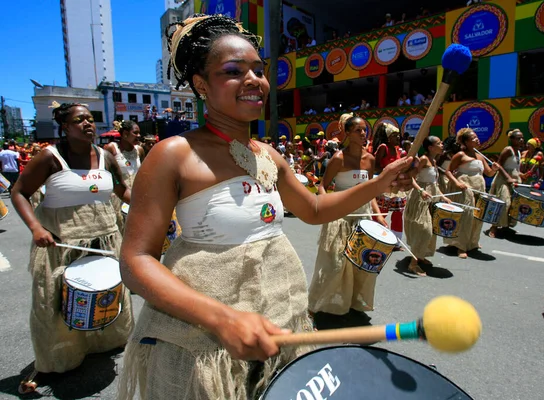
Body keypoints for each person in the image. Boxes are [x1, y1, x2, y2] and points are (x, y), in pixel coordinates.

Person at [116, 15, 413, 400]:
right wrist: (221, 319)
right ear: (201, 85)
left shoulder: (269, 155)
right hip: (203, 342)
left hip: (281, 315)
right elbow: (136, 260)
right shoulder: (173, 154)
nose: (254, 80)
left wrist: (380, 181)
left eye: (258, 69)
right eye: (234, 71)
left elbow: (314, 210)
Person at [10, 103, 134, 394]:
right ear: (64, 127)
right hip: (61, 245)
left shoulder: (106, 156)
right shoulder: (48, 158)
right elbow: (19, 193)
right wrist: (36, 228)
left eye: (90, 119)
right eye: (79, 120)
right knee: (54, 307)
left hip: (105, 243)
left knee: (106, 300)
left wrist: (148, 204)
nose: (88, 124)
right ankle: (55, 361)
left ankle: (103, 345)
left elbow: (122, 191)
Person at [308, 115, 389, 317]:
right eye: (358, 130)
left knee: (360, 265)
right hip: (340, 217)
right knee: (335, 264)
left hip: (363, 218)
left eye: (365, 130)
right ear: (347, 133)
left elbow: (369, 192)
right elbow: (322, 186)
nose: (363, 134)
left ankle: (352, 303)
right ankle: (316, 305)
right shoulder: (338, 159)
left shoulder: (370, 160)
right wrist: (326, 206)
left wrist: (378, 215)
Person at [443, 128, 499, 259]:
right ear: (466, 142)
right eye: (473, 138)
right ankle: (460, 246)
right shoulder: (460, 155)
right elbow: (448, 171)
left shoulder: (480, 156)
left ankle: (472, 242)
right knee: (466, 217)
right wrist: (457, 183)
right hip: (465, 190)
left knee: (477, 217)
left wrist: (494, 169)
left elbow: (488, 173)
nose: (477, 139)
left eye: (476, 137)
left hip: (479, 189)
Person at [404, 136, 451, 276]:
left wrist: (442, 196)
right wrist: (420, 190)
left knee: (430, 228)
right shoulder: (423, 160)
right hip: (420, 199)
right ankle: (413, 264)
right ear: (430, 147)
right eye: (439, 143)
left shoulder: (434, 161)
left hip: (432, 197)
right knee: (425, 229)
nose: (442, 145)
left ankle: (420, 256)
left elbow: (433, 183)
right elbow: (410, 176)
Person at [105, 120, 145, 233]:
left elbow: (143, 172)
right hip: (118, 196)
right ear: (125, 134)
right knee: (121, 228)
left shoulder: (139, 150)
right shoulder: (111, 148)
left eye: (139, 133)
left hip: (136, 195)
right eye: (135, 133)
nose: (138, 136)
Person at [373, 123, 405, 250]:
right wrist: (388, 173)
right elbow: (375, 166)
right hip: (384, 185)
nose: (398, 138)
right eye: (395, 136)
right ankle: (375, 237)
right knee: (381, 213)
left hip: (395, 185)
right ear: (388, 138)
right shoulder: (383, 147)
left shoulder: (397, 149)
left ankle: (395, 242)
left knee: (398, 214)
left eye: (398, 135)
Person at [488, 129, 524, 238]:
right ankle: (493, 227)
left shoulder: (518, 151)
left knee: (513, 204)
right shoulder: (508, 150)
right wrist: (508, 177)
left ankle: (505, 227)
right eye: (518, 138)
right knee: (504, 203)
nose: (521, 140)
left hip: (514, 180)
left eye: (522, 138)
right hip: (503, 179)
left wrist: (522, 175)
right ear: (512, 139)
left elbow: (514, 168)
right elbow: (499, 165)